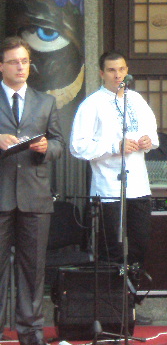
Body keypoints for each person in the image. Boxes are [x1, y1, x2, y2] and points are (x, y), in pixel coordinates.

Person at [0, 37, 64, 345]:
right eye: (14, 61)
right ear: (1, 66)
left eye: (24, 61)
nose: (20, 67)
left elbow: (58, 144)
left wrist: (45, 147)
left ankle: (31, 332)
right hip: (0, 194)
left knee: (33, 270)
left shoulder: (45, 101)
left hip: (35, 196)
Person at [70, 51, 159, 270]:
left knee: (140, 246)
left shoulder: (137, 99)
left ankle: (133, 298)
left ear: (127, 71)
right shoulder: (92, 104)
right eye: (111, 70)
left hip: (138, 186)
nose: (117, 75)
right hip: (109, 188)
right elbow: (77, 146)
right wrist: (113, 147)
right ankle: (110, 300)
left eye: (121, 69)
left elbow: (153, 134)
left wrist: (149, 141)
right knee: (111, 250)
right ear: (102, 73)